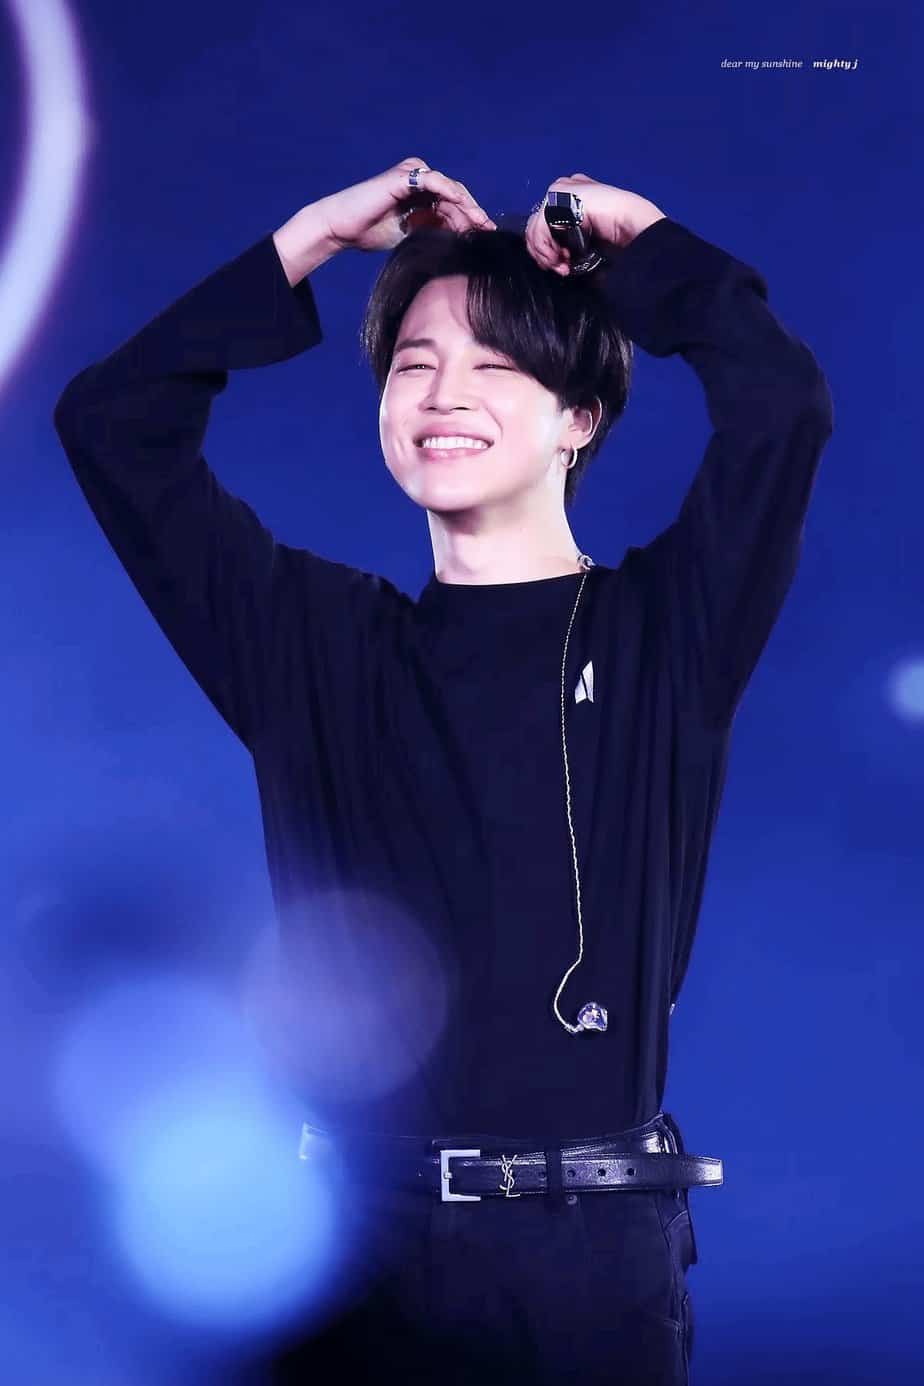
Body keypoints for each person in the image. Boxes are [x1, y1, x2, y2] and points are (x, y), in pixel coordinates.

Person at [53, 156, 834, 1384]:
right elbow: (112, 421)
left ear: (579, 418)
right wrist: (311, 238)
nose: (443, 394)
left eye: (496, 365)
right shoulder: (314, 646)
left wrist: (645, 240)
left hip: (590, 1265)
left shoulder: (665, 634)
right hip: (358, 1259)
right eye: (414, 364)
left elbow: (782, 406)